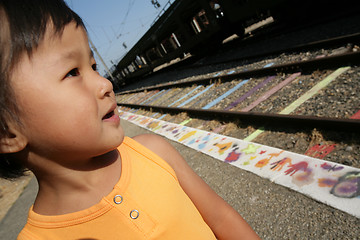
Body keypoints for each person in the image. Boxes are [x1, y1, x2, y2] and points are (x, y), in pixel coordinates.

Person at [0, 0, 260, 239]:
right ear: (8, 133)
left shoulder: (153, 151)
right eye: (71, 73)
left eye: (93, 67)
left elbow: (221, 218)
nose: (105, 84)